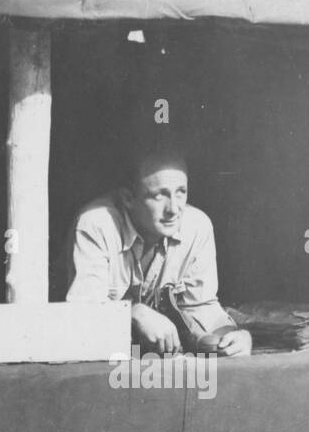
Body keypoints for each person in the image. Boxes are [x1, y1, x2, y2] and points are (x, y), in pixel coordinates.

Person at [64, 147, 253, 356]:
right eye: (159, 196)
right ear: (128, 198)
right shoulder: (96, 224)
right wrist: (133, 313)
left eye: (181, 192)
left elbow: (201, 305)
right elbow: (81, 315)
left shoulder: (197, 226)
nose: (173, 209)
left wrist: (234, 336)